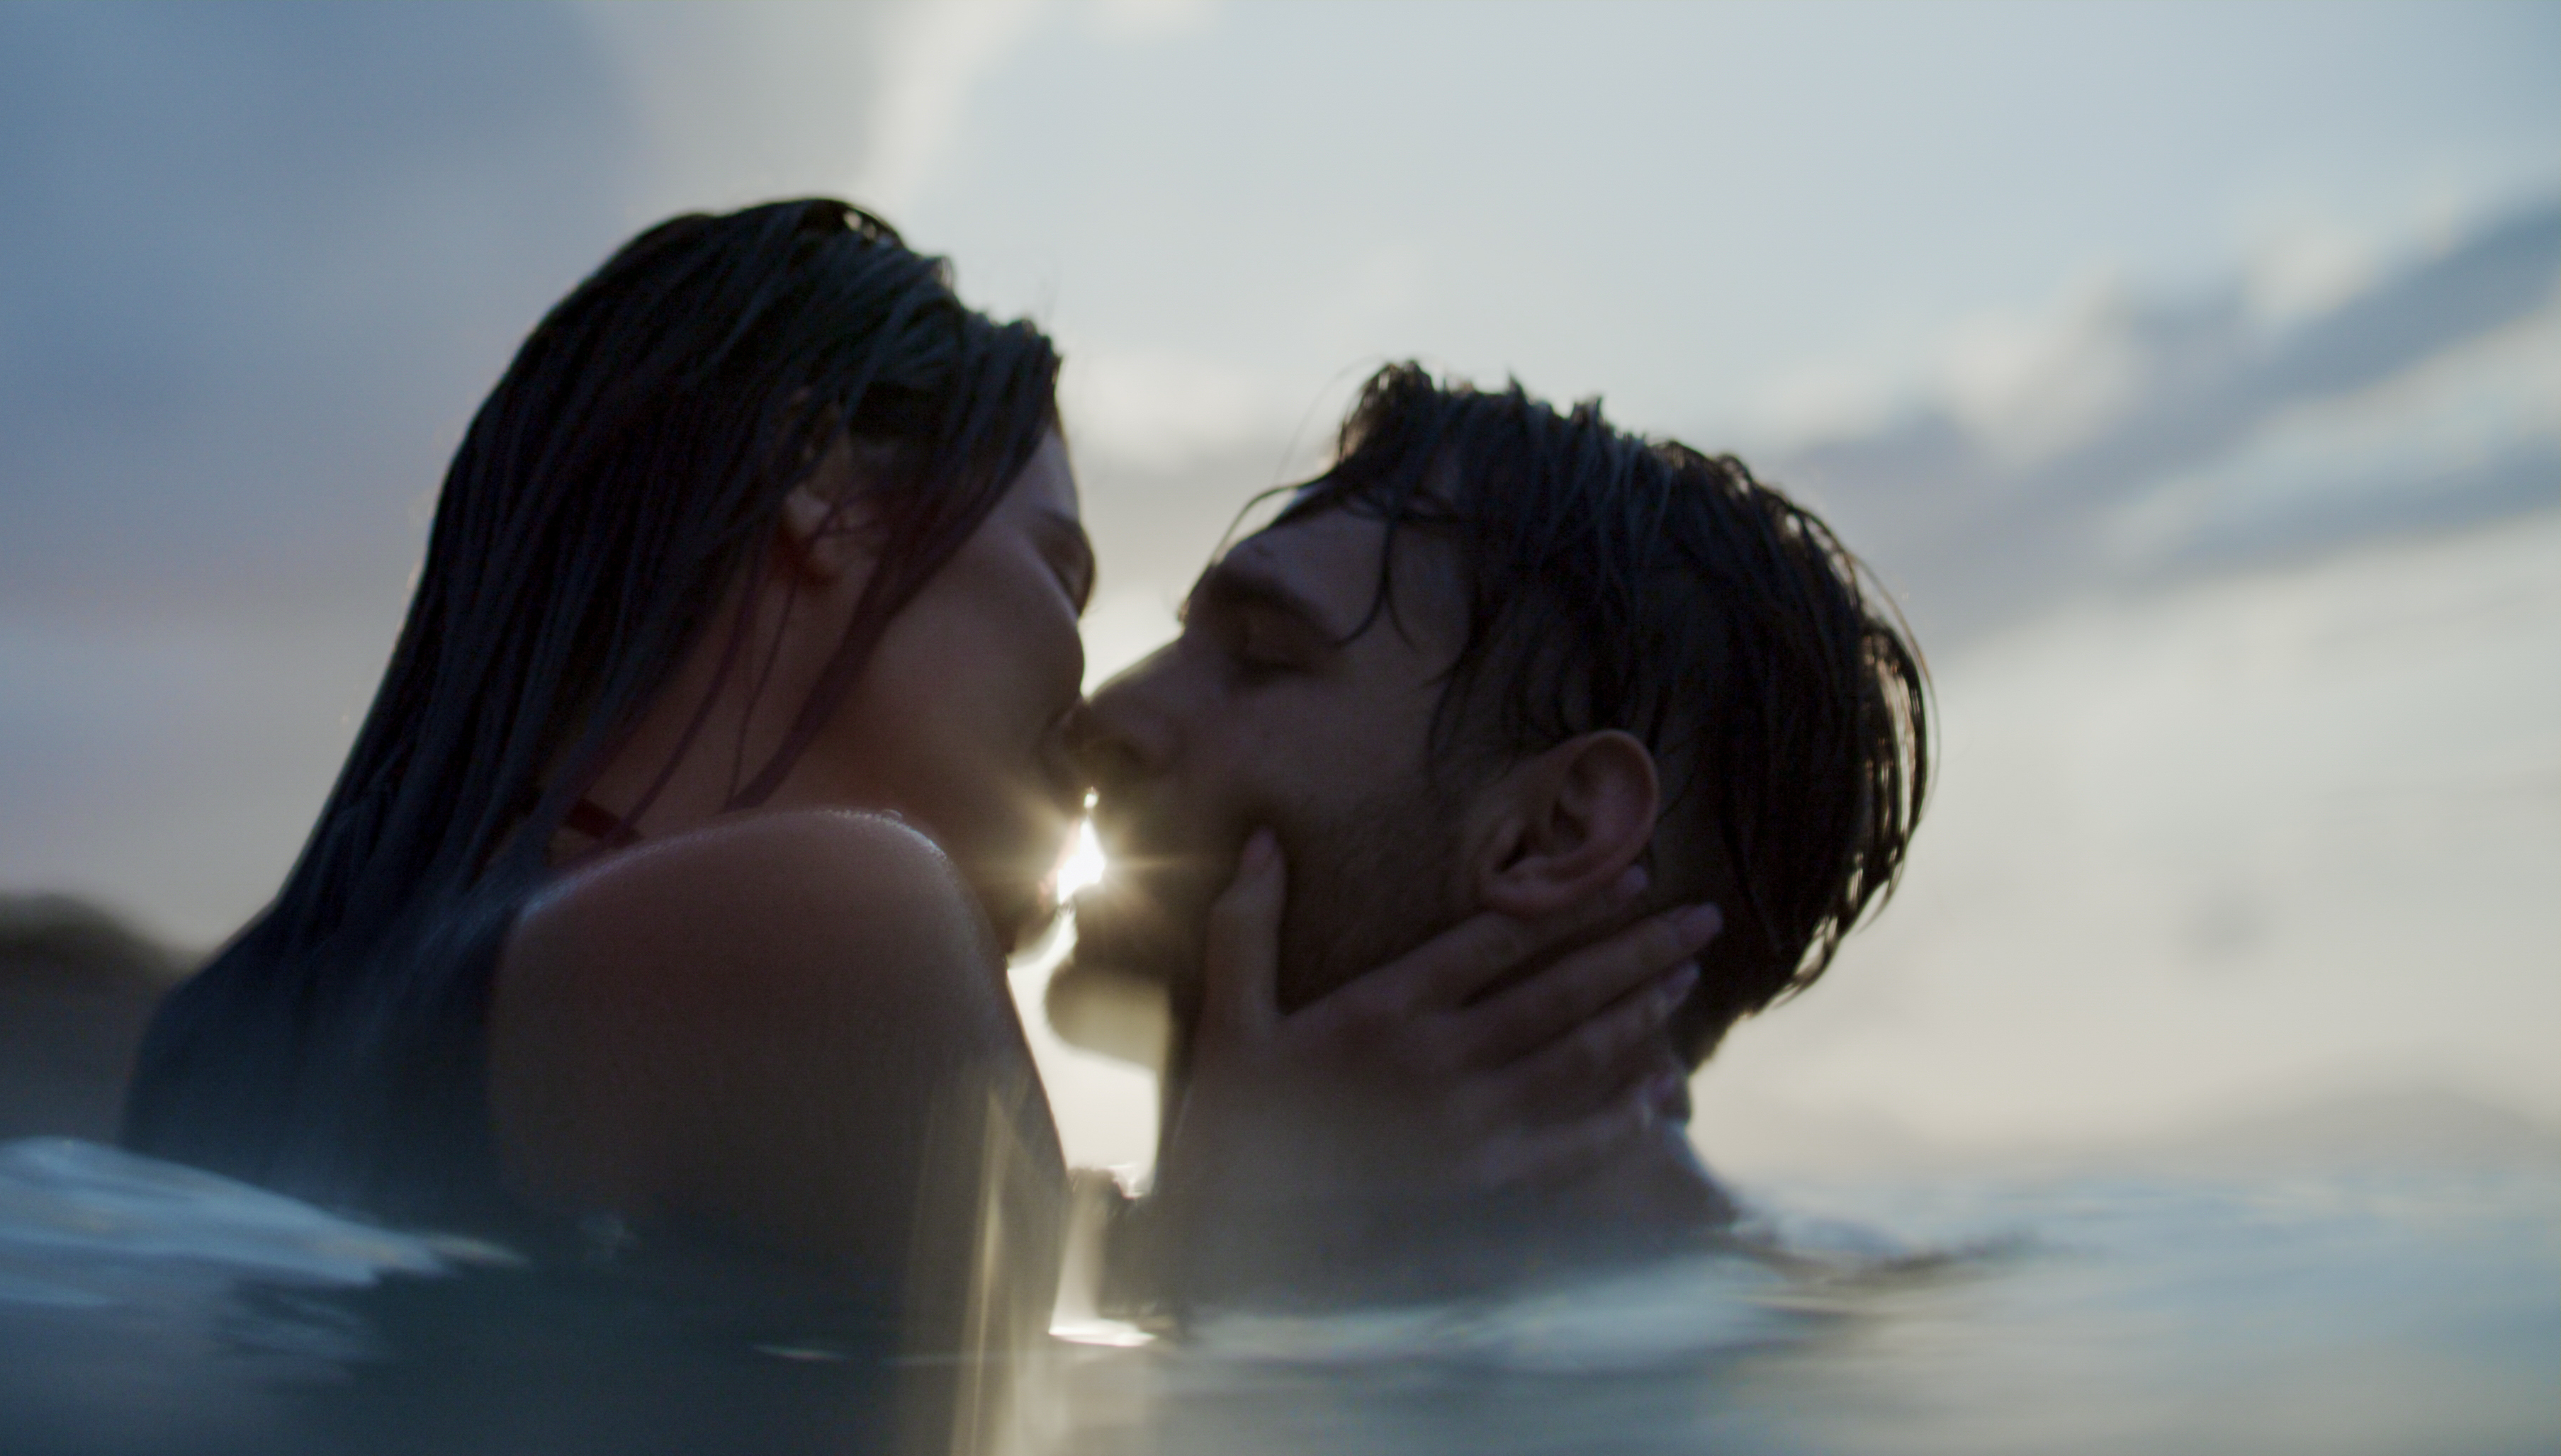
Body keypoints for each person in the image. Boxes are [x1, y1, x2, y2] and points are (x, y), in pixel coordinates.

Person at [120, 205, 1711, 1354]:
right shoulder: (839, 920)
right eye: (1061, 578)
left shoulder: (273, 1012)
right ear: (826, 495)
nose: (1096, 699)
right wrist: (1256, 1240)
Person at [1068, 363, 1932, 1309]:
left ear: (1554, 834)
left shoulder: (1675, 1394)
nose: (1106, 711)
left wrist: (1229, 1266)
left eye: (1264, 656)